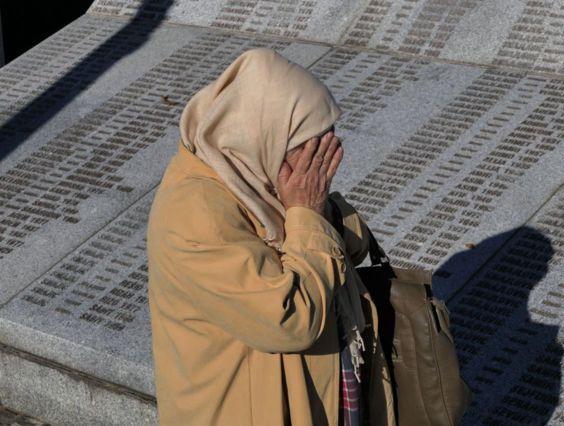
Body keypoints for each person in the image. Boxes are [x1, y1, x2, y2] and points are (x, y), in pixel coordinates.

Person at [146, 48, 395, 426]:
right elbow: (290, 321)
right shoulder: (196, 214)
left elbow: (347, 246)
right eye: (309, 148)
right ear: (264, 136)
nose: (321, 164)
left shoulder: (252, 180)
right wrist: (308, 214)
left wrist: (314, 213)